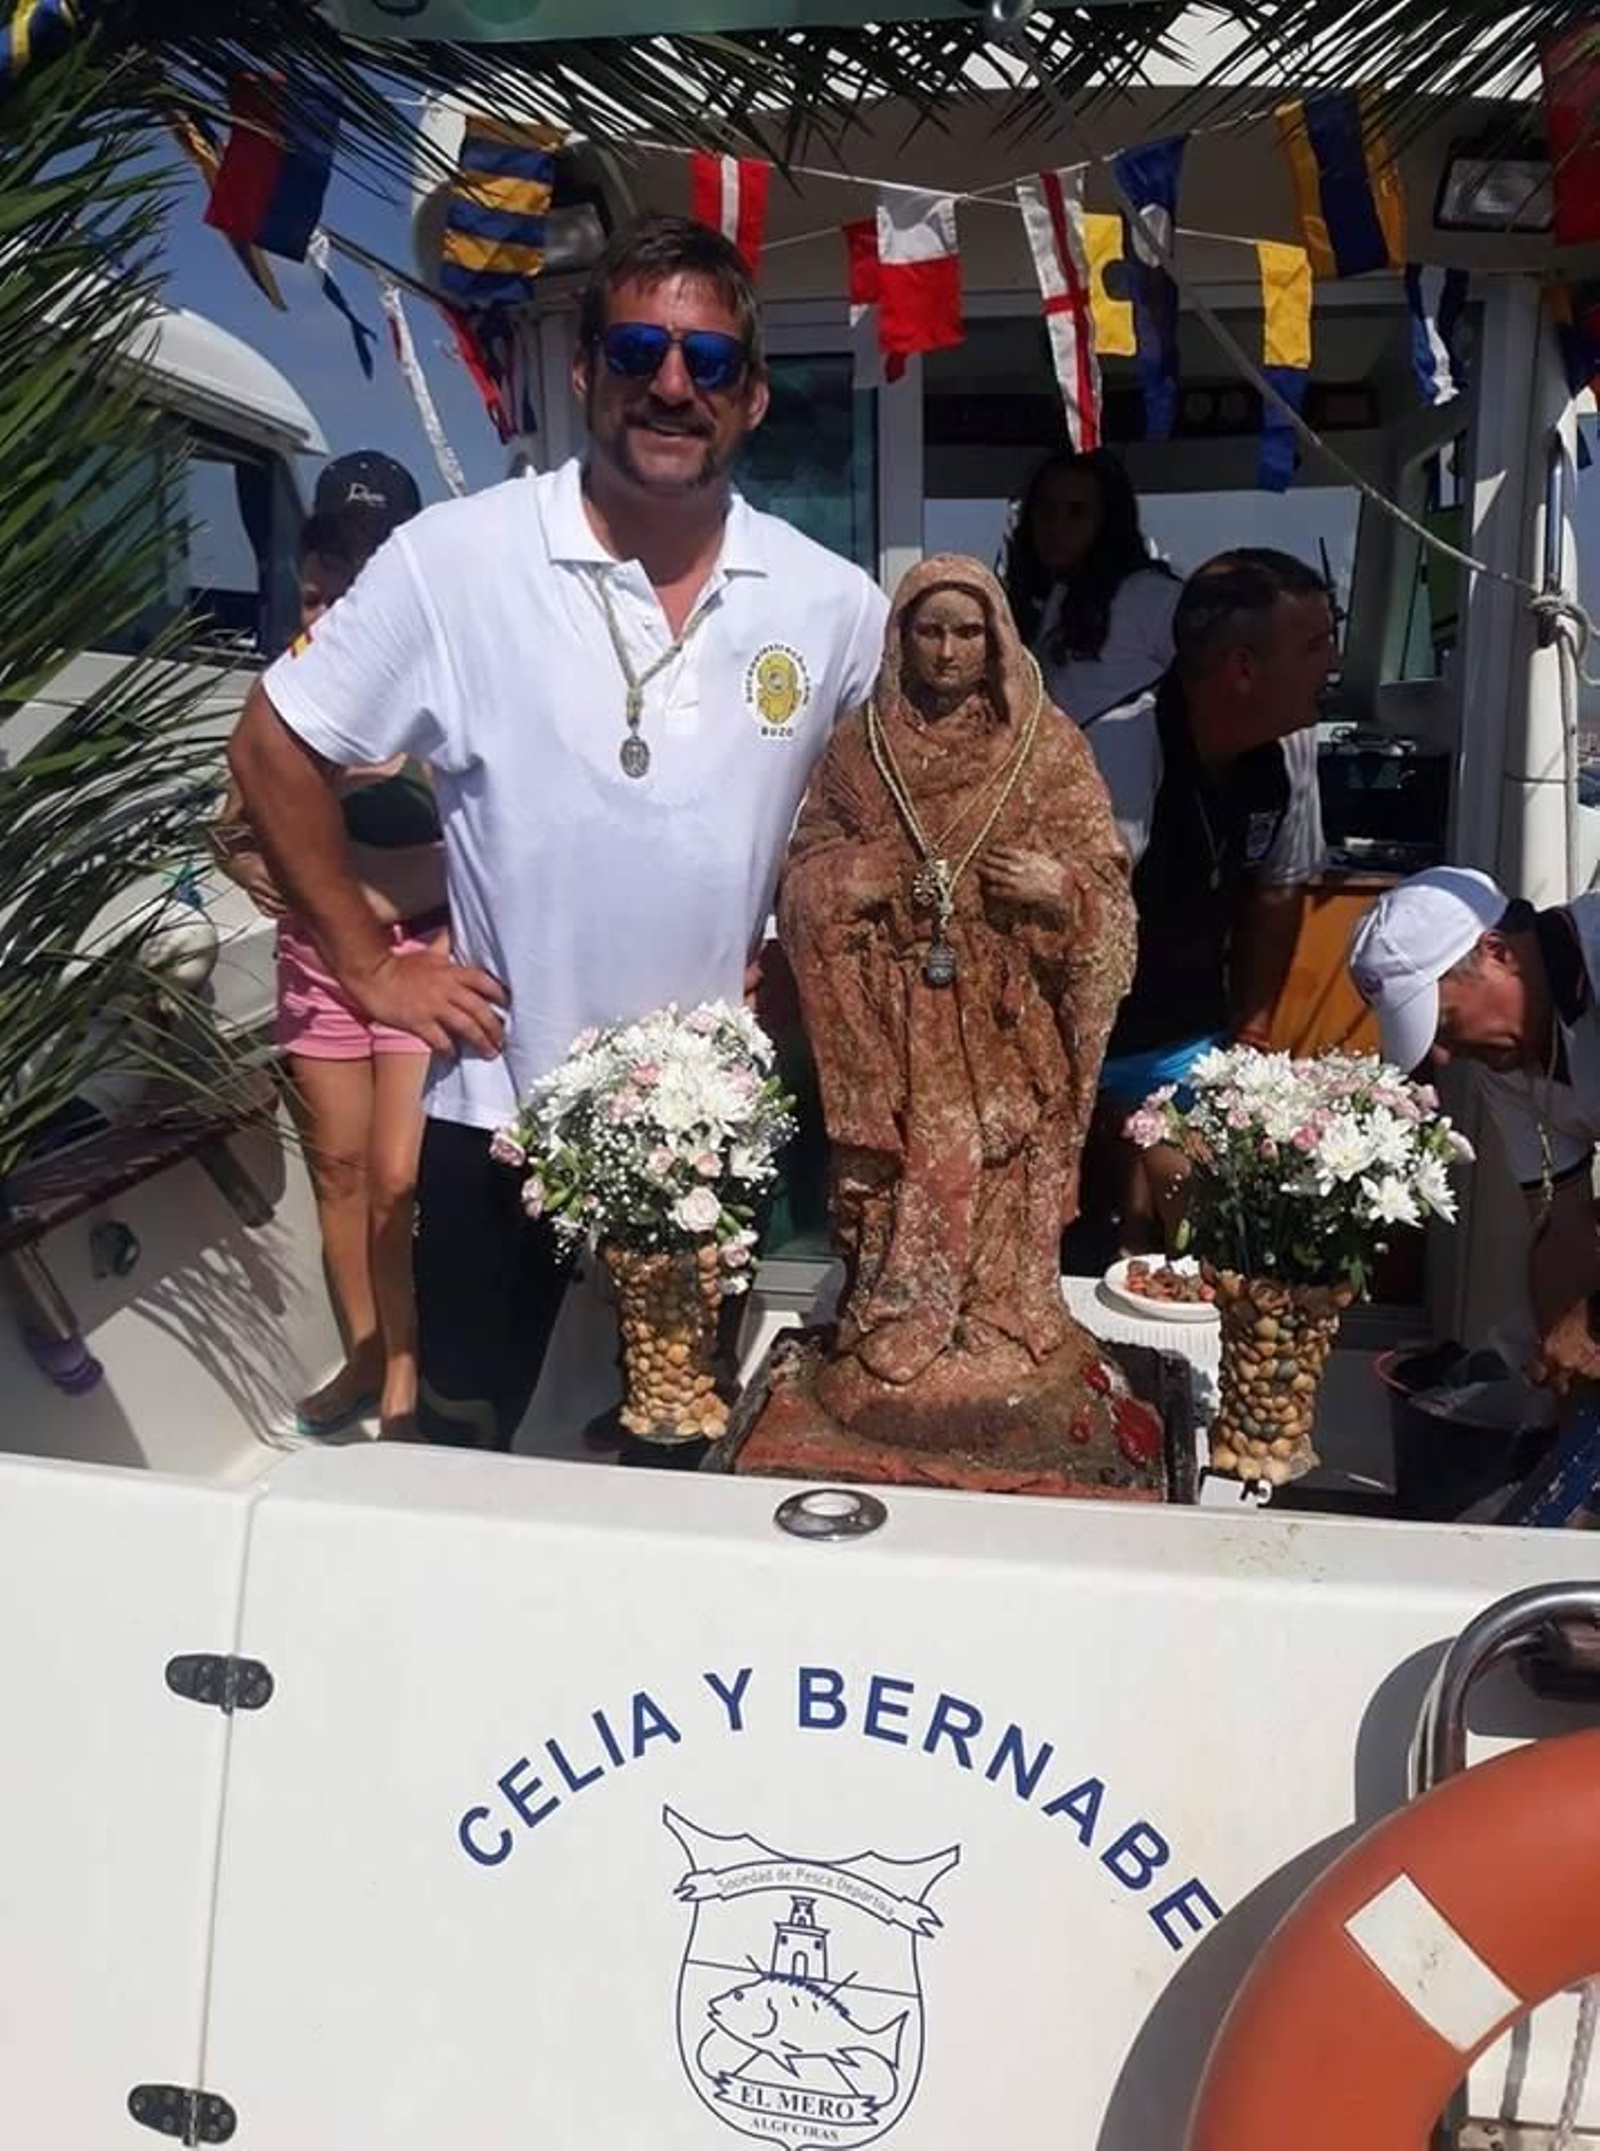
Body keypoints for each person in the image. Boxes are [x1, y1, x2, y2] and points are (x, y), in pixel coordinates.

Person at [227, 215, 887, 1459]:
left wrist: (814, 961)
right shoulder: (457, 562)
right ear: (585, 372)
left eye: (706, 360)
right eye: (639, 349)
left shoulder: (833, 604)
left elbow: (887, 822)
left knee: (681, 1446)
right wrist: (369, 965)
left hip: (717, 1119)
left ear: (749, 395)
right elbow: (273, 747)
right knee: (466, 1434)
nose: (671, 385)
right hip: (499, 1102)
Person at [778, 556, 1139, 1454]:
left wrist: (1062, 892)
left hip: (1010, 1009)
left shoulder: (1047, 746)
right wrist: (848, 879)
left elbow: (1107, 886)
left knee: (1005, 1151)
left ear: (998, 641)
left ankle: (1003, 1317)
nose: (948, 650)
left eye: (967, 632)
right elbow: (804, 875)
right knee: (915, 1158)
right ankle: (899, 1316)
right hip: (891, 1008)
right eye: (929, 630)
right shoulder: (861, 750)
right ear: (901, 638)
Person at [211, 458, 444, 1441]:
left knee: (398, 1175)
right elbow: (231, 826)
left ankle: (407, 1367)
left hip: (420, 960)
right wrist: (269, 873)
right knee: (338, 1173)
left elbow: (482, 851)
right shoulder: (282, 691)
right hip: (315, 966)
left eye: (346, 589)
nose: (326, 608)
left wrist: (341, 859)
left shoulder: (444, 689)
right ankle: (361, 1354)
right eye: (313, 589)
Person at [1076, 547, 1338, 1252]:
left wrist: (1250, 1041)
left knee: (1203, 1236)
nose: (1333, 664)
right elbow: (1063, 943)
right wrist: (1098, 1102)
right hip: (1087, 1046)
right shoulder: (1118, 756)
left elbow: (1278, 891)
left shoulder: (1293, 750)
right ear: (1242, 669)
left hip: (1191, 1037)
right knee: (1113, 1234)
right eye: (1315, 645)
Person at [1349, 865, 1600, 1395]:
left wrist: (1584, 1321)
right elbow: (1561, 1217)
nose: (1444, 1055)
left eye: (1444, 1024)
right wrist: (1559, 1360)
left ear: (1498, 952)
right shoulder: (1503, 1059)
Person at [1002, 447, 1180, 725]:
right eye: (1046, 509)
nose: (1056, 526)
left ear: (1107, 521)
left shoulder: (1151, 596)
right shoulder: (1033, 605)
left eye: (1077, 512)